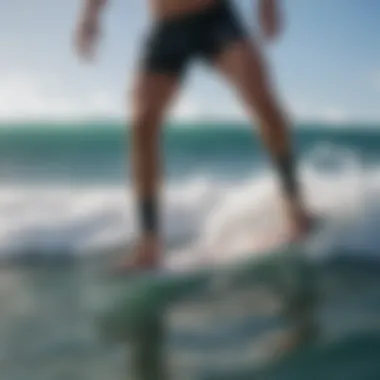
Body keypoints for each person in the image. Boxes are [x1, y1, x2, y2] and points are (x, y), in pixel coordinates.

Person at [74, 0, 313, 271]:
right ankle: (149, 245)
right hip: (166, 26)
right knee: (141, 124)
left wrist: (267, 5)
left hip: (214, 18)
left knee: (262, 100)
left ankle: (297, 211)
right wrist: (90, 15)